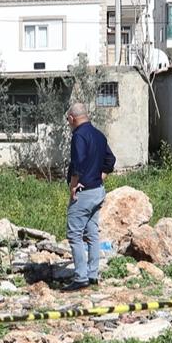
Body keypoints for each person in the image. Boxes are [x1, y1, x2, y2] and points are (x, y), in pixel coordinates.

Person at [61, 103, 117, 292]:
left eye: (68, 120)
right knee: (92, 234)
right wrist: (101, 175)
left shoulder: (79, 136)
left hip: (83, 193)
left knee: (74, 235)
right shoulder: (99, 135)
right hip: (98, 191)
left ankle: (80, 278)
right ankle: (92, 274)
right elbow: (110, 160)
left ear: (71, 118)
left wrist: (73, 185)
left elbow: (78, 162)